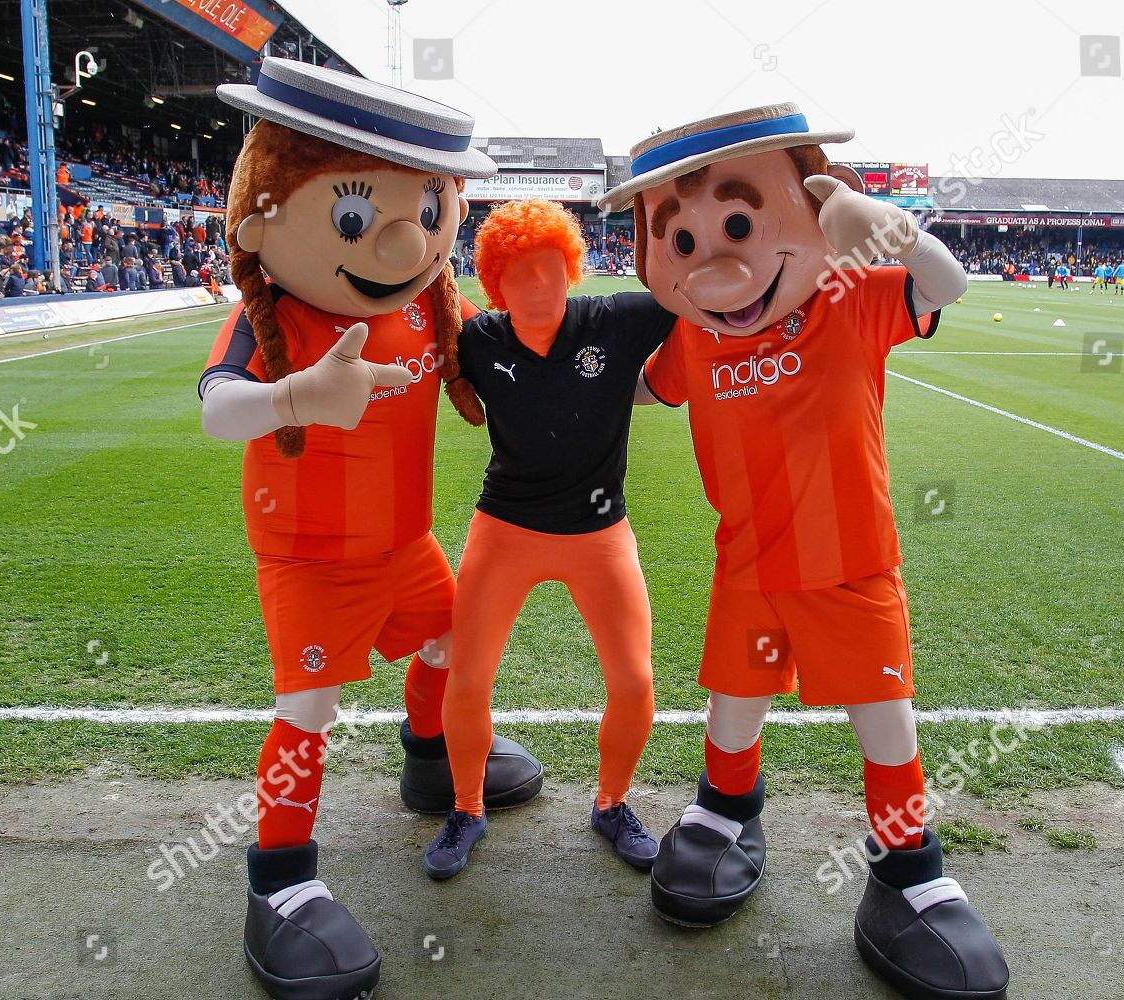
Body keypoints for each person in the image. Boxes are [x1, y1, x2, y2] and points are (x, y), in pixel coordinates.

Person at [609, 103, 1007, 999]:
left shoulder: (848, 298)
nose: (717, 262)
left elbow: (947, 286)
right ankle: (725, 815)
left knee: (884, 720)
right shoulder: (694, 334)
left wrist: (897, 232)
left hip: (850, 558)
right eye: (682, 238)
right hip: (747, 560)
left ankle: (908, 867)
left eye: (741, 224)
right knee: (734, 702)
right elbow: (641, 391)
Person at [198, 59, 541, 1000]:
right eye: (356, 218)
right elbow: (219, 410)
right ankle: (280, 881)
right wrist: (302, 395)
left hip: (404, 544)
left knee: (452, 636)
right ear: (262, 218)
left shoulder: (433, 306)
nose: (401, 241)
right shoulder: (276, 316)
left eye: (429, 212)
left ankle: (429, 761)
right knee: (308, 712)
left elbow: (505, 364)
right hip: (311, 557)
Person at [424, 199, 671, 880]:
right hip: (504, 528)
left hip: (600, 530)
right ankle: (468, 808)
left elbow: (685, 291)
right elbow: (426, 295)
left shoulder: (616, 322)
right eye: (518, 273)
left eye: (549, 267)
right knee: (468, 678)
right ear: (496, 284)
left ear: (572, 266)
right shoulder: (479, 341)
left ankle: (612, 803)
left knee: (635, 680)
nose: (537, 284)